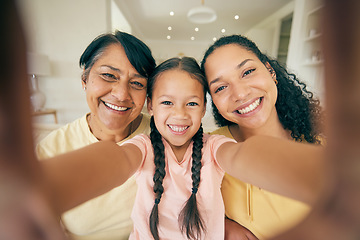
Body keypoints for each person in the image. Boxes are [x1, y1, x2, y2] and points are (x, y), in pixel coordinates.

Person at [41, 57, 324, 240]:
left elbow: (244, 157)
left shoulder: (215, 146)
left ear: (204, 108)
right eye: (166, 103)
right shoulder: (142, 146)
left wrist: (317, 170)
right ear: (150, 106)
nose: (179, 115)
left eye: (191, 103)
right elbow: (113, 160)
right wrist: (46, 185)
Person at [200, 34, 324, 239]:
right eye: (220, 87)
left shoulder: (322, 147)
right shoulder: (206, 148)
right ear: (213, 101)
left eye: (247, 72)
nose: (240, 94)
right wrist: (221, 224)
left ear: (270, 71)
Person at [36, 30, 156, 240]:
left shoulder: (165, 135)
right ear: (85, 79)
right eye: (109, 75)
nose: (121, 94)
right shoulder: (50, 150)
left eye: (137, 83)